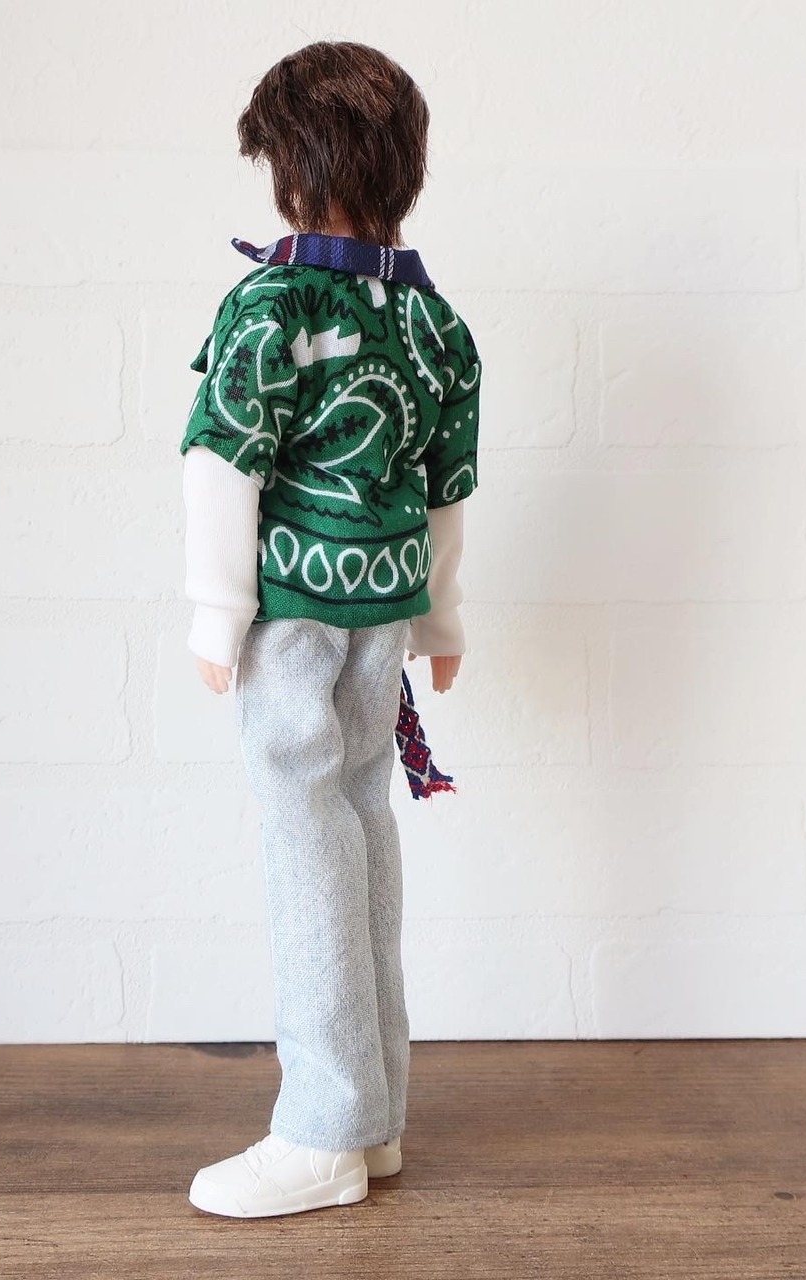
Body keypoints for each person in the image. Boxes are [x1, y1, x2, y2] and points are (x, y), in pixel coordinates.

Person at [178, 39, 481, 1219]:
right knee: (358, 831)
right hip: (384, 610)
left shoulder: (271, 307)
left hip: (296, 614)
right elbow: (447, 486)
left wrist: (218, 613)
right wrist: (439, 617)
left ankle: (322, 1127)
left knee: (308, 847)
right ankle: (373, 1111)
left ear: (289, 169)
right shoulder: (430, 319)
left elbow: (221, 464)